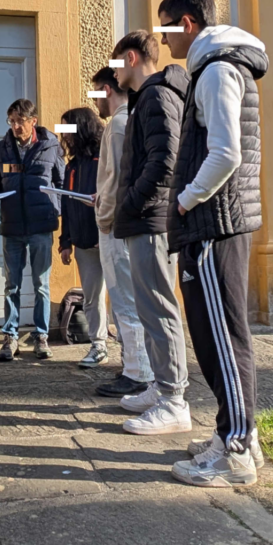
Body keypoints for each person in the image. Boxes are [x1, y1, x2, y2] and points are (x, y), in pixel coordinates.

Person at [158, 0, 269, 488]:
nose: (164, 41)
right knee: (215, 334)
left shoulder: (218, 69)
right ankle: (233, 434)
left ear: (185, 23)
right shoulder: (217, 66)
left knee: (222, 336)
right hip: (215, 221)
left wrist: (185, 199)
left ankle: (237, 451)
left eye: (165, 29)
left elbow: (225, 154)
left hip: (213, 223)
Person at [111, 30, 192, 436]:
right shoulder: (149, 98)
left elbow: (165, 164)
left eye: (115, 66)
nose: (113, 75)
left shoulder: (158, 96)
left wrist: (130, 204)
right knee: (150, 309)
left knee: (160, 309)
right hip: (145, 219)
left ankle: (175, 400)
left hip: (152, 220)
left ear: (129, 58)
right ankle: (162, 388)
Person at [0, 99, 66, 362]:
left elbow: (61, 183)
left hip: (41, 225)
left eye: (20, 121)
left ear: (34, 121)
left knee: (41, 284)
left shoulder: (51, 147)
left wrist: (57, 210)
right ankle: (10, 337)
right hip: (12, 226)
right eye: (12, 121)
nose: (16, 126)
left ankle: (41, 336)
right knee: (12, 285)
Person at [90, 66, 154, 397]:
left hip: (115, 227)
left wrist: (103, 213)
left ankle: (137, 372)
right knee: (134, 300)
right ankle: (138, 367)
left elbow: (115, 180)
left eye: (96, 93)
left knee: (125, 303)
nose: (95, 101)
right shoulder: (133, 118)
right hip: (128, 222)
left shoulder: (116, 125)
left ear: (107, 90)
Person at [57, 108, 108, 368]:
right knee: (91, 297)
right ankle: (98, 345)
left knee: (124, 296)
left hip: (108, 237)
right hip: (83, 242)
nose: (63, 135)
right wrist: (65, 241)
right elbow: (67, 204)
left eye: (67, 129)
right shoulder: (71, 166)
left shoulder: (104, 156)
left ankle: (135, 352)